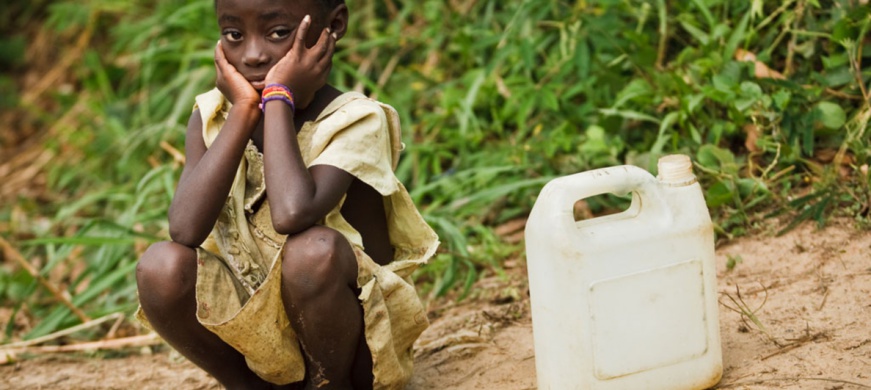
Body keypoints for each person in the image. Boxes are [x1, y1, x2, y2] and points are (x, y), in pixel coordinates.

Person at [134, 0, 439, 388]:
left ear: (335, 25)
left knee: (313, 253)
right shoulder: (214, 116)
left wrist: (277, 98)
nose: (254, 54)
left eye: (278, 33)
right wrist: (244, 111)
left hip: (359, 350)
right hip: (266, 339)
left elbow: (293, 213)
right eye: (233, 35)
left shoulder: (356, 120)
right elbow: (185, 229)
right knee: (159, 267)